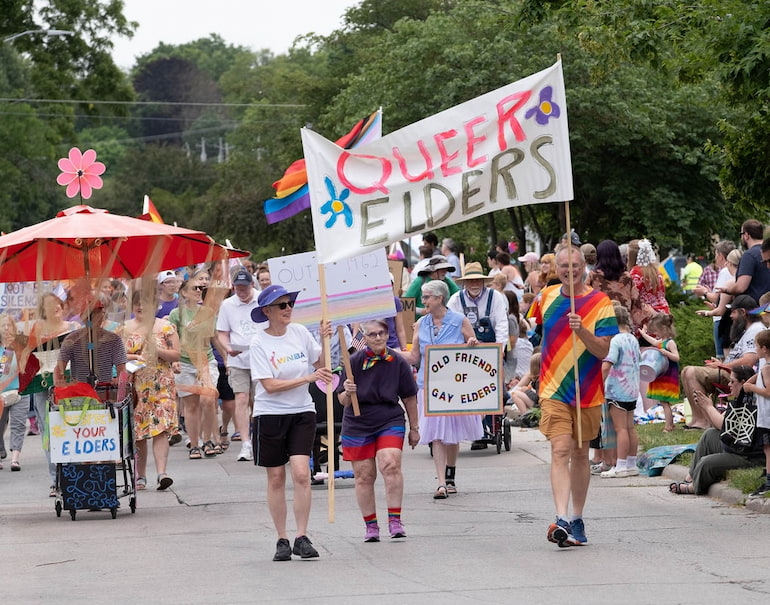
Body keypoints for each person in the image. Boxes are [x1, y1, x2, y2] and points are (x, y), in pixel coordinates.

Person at [528, 245, 618, 547]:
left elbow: (605, 350)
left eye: (575, 265)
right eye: (564, 265)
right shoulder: (546, 298)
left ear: (584, 266)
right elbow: (537, 334)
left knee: (580, 454)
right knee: (560, 450)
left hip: (588, 390)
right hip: (553, 388)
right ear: (557, 268)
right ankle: (561, 518)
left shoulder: (600, 302)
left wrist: (583, 332)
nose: (569, 270)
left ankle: (577, 518)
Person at [249, 284, 332, 561]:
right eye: (282, 306)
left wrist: (325, 338)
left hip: (301, 412)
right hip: (269, 414)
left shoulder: (299, 332)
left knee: (301, 473)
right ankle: (281, 538)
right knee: (275, 478)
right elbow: (270, 385)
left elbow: (320, 362)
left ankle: (301, 536)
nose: (288, 310)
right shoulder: (258, 342)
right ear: (267, 312)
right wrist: (307, 378)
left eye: (289, 304)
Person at [398, 279, 482, 499]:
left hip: (454, 385)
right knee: (436, 434)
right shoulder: (420, 324)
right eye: (423, 297)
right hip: (429, 386)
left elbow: (477, 350)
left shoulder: (459, 320)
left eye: (426, 297)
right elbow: (415, 356)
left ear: (439, 298)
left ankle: (451, 473)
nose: (423, 300)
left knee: (451, 434)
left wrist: (472, 343)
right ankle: (441, 482)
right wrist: (390, 352)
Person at [337, 319, 419, 542]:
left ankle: (395, 520)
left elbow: (409, 396)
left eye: (382, 333)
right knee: (364, 475)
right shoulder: (352, 361)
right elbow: (342, 400)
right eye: (372, 334)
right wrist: (347, 391)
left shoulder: (398, 362)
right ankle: (371, 526)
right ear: (364, 338)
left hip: (388, 417)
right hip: (357, 421)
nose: (378, 338)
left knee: (390, 463)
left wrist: (414, 427)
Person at [669, 365, 763, 495]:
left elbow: (724, 426)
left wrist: (708, 407)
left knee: (706, 463)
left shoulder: (754, 402)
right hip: (735, 448)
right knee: (709, 435)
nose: (729, 384)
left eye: (732, 381)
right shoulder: (739, 399)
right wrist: (704, 407)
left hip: (748, 456)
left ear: (743, 383)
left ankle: (693, 487)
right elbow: (716, 426)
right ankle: (690, 478)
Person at [120, 291, 180, 490]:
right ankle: (140, 475)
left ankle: (162, 473)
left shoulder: (165, 326)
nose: (141, 307)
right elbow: (117, 355)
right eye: (137, 303)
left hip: (162, 384)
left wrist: (158, 351)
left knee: (160, 428)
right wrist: (133, 357)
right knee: (138, 432)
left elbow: (176, 354)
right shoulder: (124, 328)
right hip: (135, 386)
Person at [447, 261, 509, 450]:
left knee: (495, 391)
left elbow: (501, 325)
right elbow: (451, 326)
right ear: (465, 282)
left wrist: (500, 350)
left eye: (477, 281)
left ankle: (490, 427)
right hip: (464, 353)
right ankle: (471, 429)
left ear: (483, 282)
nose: (474, 284)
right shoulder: (455, 300)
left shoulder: (495, 297)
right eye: (470, 281)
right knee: (465, 390)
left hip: (490, 351)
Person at [680, 294, 765, 429]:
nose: (731, 316)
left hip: (741, 377)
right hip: (730, 372)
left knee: (690, 372)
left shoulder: (755, 330)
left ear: (743, 312)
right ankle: (698, 418)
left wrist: (722, 365)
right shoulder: (749, 330)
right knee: (686, 371)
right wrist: (721, 363)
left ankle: (703, 420)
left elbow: (749, 361)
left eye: (733, 312)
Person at [168, 273, 221, 460]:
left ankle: (208, 441)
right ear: (183, 293)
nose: (199, 291)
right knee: (190, 406)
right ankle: (195, 445)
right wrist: (173, 360)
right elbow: (170, 339)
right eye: (195, 288)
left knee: (207, 400)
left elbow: (213, 338)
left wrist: (227, 357)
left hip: (205, 361)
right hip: (184, 363)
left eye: (200, 288)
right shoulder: (176, 315)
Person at [216, 267, 261, 462]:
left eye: (244, 287)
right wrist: (227, 348)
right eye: (238, 288)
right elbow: (222, 332)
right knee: (241, 398)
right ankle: (245, 442)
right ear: (233, 287)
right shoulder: (227, 305)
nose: (241, 291)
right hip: (238, 359)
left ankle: (262, 438)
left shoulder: (262, 299)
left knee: (260, 400)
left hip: (261, 359)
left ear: (252, 285)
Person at [600, 304, 641, 478]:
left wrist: (599, 384)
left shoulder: (615, 340)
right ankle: (632, 463)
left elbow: (607, 365)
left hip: (617, 390)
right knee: (630, 428)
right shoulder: (632, 338)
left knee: (620, 429)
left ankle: (621, 465)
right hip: (632, 390)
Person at [55, 296, 127, 387]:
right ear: (82, 317)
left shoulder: (114, 340)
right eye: (89, 315)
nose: (93, 318)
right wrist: (59, 383)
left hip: (104, 391)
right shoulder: (71, 340)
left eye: (97, 314)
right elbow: (59, 368)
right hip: (80, 393)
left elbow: (122, 369)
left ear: (103, 315)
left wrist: (119, 381)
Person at [0, 313, 33, 472]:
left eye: (9, 325)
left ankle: (15, 458)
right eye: (3, 326)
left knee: (18, 424)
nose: (6, 328)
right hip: (1, 393)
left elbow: (30, 363)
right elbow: (3, 371)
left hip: (20, 391)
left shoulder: (21, 342)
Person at [694, 242, 738, 359]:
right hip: (728, 315)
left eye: (715, 254)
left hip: (722, 319)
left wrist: (704, 292)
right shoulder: (736, 273)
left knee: (722, 358)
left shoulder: (725, 272)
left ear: (720, 256)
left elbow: (718, 297)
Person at [639, 313, 680, 431]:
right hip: (661, 375)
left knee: (664, 401)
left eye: (656, 331)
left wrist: (667, 353)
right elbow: (654, 342)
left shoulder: (670, 343)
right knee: (663, 401)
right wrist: (643, 334)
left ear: (663, 329)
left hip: (668, 376)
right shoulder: (662, 341)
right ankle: (670, 424)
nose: (655, 334)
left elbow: (677, 357)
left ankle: (669, 426)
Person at [743, 330, 770, 496]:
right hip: (765, 416)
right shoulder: (764, 367)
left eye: (757, 346)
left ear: (765, 348)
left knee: (768, 448)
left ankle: (769, 480)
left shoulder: (767, 368)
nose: (755, 349)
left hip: (767, 417)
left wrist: (752, 388)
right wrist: (751, 381)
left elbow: (768, 392)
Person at [722, 220, 770, 303]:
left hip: (754, 308)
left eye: (741, 234)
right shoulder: (766, 250)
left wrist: (727, 290)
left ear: (746, 235)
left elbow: (741, 287)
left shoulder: (749, 255)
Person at [629, 238, 670, 315]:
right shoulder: (656, 272)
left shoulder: (635, 273)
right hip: (663, 314)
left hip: (646, 315)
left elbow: (632, 298)